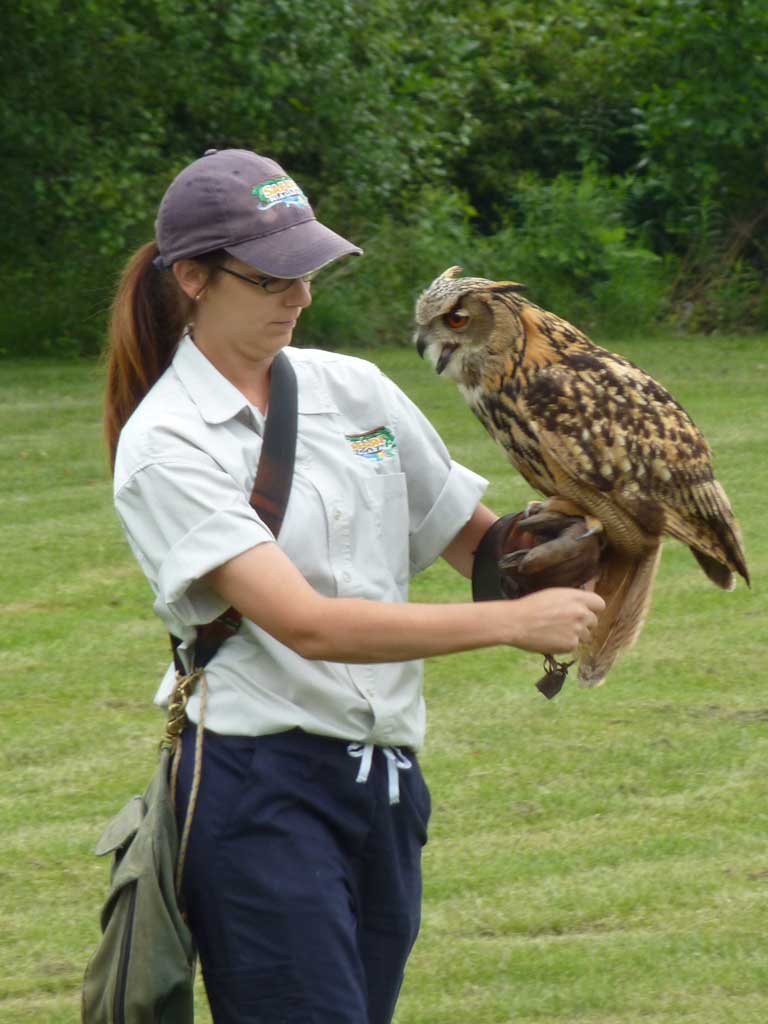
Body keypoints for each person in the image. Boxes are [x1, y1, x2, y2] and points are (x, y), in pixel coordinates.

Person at [104, 148, 604, 1024]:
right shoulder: (167, 443)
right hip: (261, 789)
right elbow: (309, 625)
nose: (299, 298)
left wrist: (606, 520)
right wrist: (512, 624)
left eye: (309, 274)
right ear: (192, 278)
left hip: (387, 789)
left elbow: (484, 550)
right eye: (271, 279)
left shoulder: (354, 389)